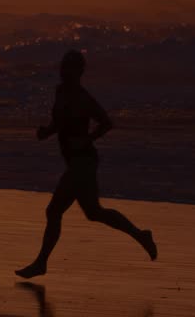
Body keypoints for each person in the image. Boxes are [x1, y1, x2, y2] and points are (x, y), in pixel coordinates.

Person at [15, 49, 157, 278]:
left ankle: (41, 263)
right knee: (94, 212)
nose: (64, 72)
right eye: (63, 67)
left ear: (80, 72)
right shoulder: (60, 92)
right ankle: (141, 235)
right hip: (75, 162)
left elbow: (106, 123)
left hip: (84, 162)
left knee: (54, 210)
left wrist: (87, 139)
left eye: (70, 68)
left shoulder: (83, 97)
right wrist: (47, 132)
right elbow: (59, 122)